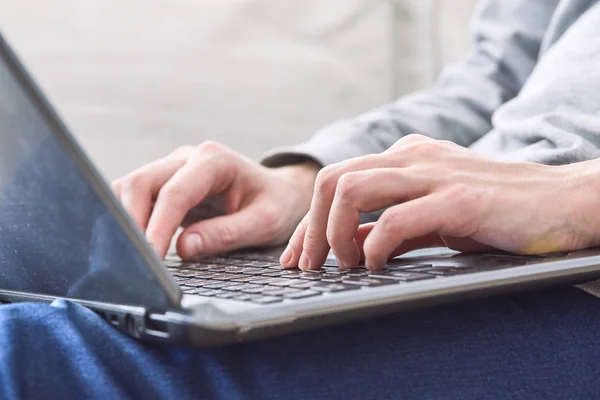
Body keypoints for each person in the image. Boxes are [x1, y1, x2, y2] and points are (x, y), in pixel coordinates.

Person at [3, 0, 600, 398]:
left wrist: (578, 196)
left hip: (577, 281)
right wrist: (308, 181)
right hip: (473, 248)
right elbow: (495, 76)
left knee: (31, 355)